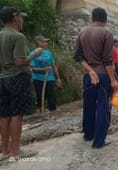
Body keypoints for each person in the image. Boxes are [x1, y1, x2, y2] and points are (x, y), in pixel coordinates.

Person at [74, 7, 118, 149]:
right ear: (105, 19)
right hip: (103, 76)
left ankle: (88, 134)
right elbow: (107, 60)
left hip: (88, 75)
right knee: (103, 107)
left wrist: (90, 70)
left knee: (89, 105)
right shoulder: (106, 33)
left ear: (92, 18)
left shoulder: (82, 32)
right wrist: (113, 80)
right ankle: (99, 141)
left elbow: (77, 56)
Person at [0, 6, 41, 160]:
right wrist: (34, 54)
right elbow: (19, 61)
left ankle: (5, 152)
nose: (22, 20)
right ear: (15, 17)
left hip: (3, 79)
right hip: (18, 77)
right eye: (21, 17)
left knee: (4, 115)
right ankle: (16, 152)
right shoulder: (18, 37)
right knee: (17, 114)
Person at [30, 36, 62, 112]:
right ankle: (41, 111)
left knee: (52, 97)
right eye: (44, 42)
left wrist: (58, 78)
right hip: (38, 79)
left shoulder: (48, 53)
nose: (46, 43)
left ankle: (53, 111)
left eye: (46, 41)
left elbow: (54, 66)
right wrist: (43, 69)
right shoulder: (33, 54)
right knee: (40, 98)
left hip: (50, 78)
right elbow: (32, 69)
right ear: (39, 43)